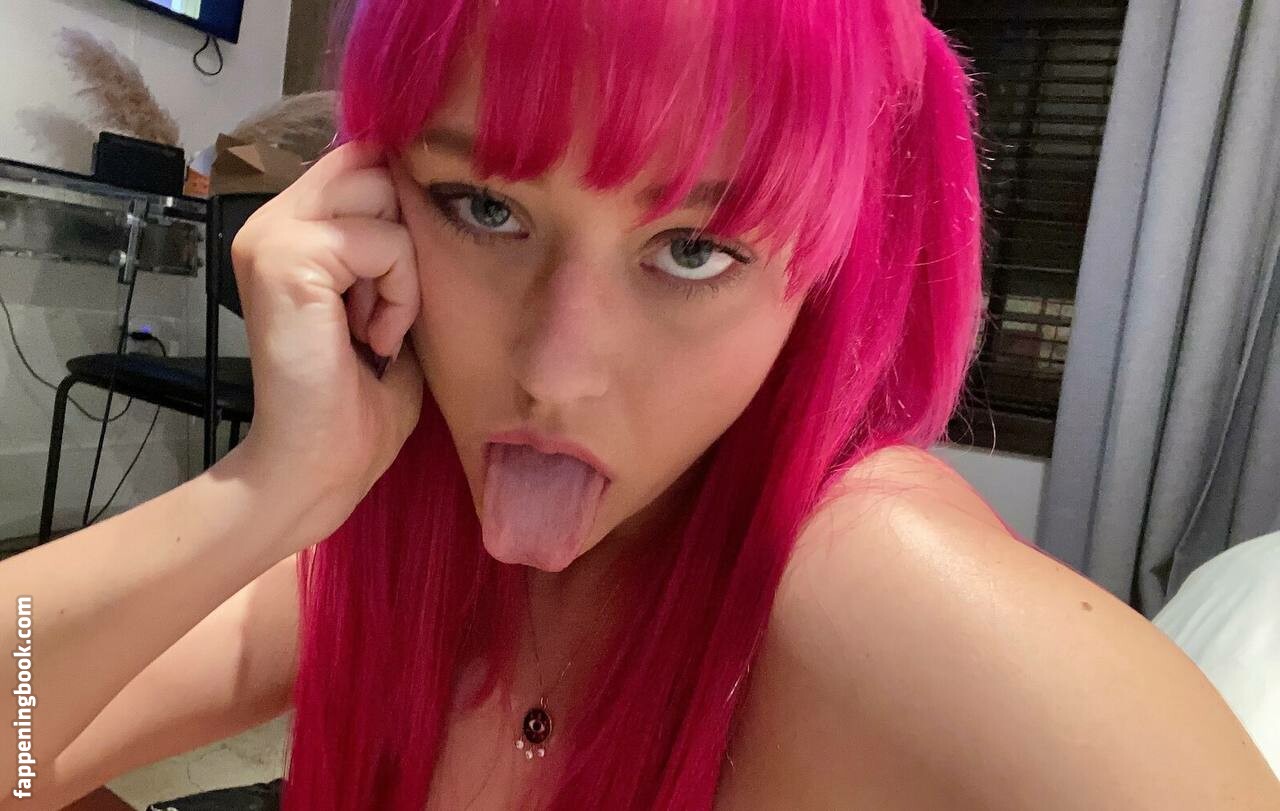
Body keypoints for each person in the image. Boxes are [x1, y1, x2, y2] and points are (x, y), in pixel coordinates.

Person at [4, 0, 1279, 808]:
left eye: (693, 250)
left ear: (818, 276)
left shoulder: (867, 590)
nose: (555, 370)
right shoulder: (406, 540)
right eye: (484, 208)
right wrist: (266, 488)